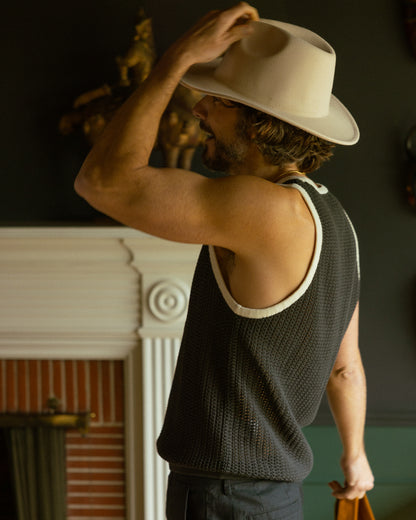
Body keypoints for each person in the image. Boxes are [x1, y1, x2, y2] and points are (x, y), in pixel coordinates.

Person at [74, 3, 374, 518]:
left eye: (219, 101)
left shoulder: (258, 208)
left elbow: (102, 182)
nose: (198, 111)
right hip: (274, 499)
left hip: (225, 499)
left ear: (259, 125)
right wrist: (356, 456)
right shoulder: (336, 221)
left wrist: (174, 61)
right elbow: (344, 368)